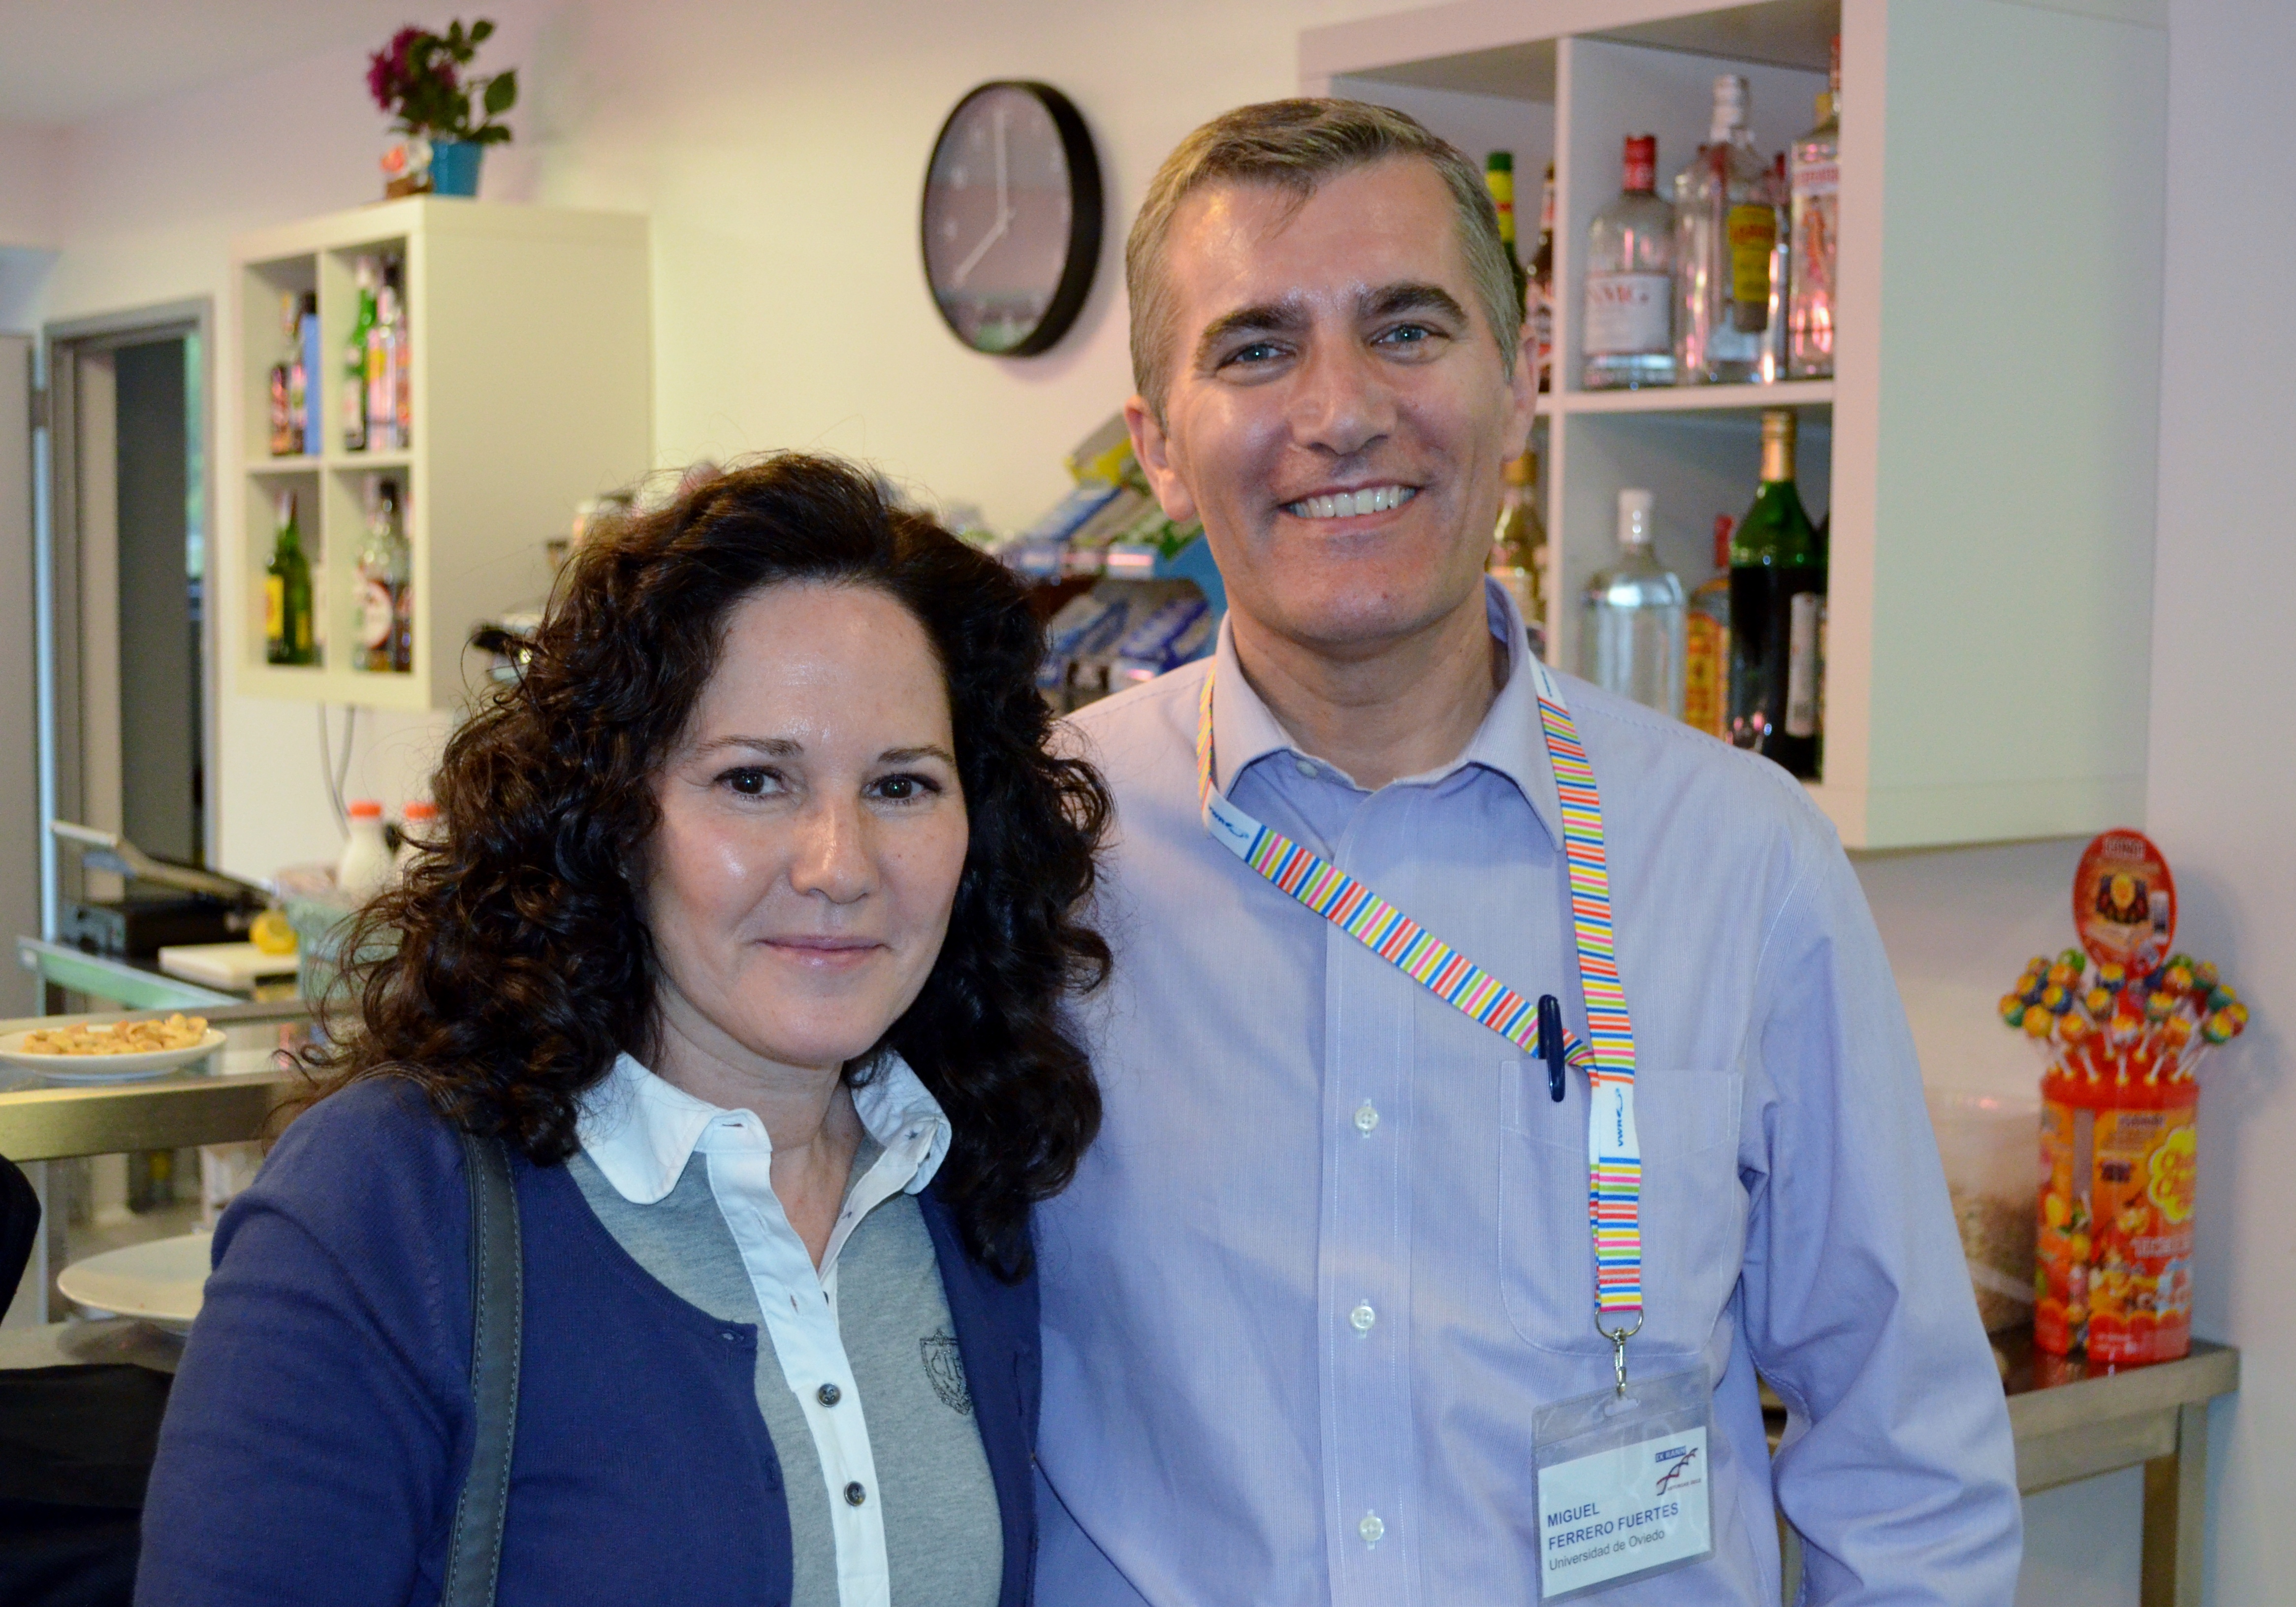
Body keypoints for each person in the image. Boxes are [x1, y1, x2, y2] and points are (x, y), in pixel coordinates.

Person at [1033, 100, 2023, 1605]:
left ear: (1520, 384)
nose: (1341, 410)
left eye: (1407, 330)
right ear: (1159, 450)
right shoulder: (1035, 852)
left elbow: (1907, 1465)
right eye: (1257, 349)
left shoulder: (1741, 862)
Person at [138, 454, 1111, 1607]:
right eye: (754, 782)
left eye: (901, 786)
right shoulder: (387, 1204)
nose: (839, 866)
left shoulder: (972, 1185)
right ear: (615, 816)